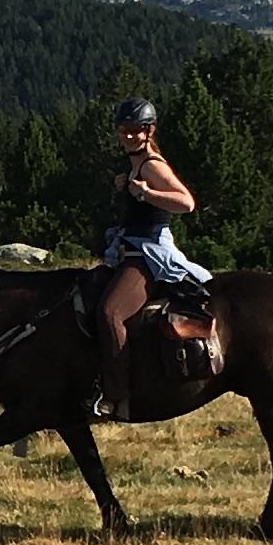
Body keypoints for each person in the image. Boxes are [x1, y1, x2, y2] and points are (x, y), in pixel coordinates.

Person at [83, 96, 209, 420]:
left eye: (136, 130)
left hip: (148, 254)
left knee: (111, 313)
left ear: (149, 131)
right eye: (123, 129)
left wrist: (146, 193)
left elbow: (186, 202)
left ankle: (117, 398)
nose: (128, 135)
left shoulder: (153, 165)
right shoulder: (136, 164)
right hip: (129, 250)